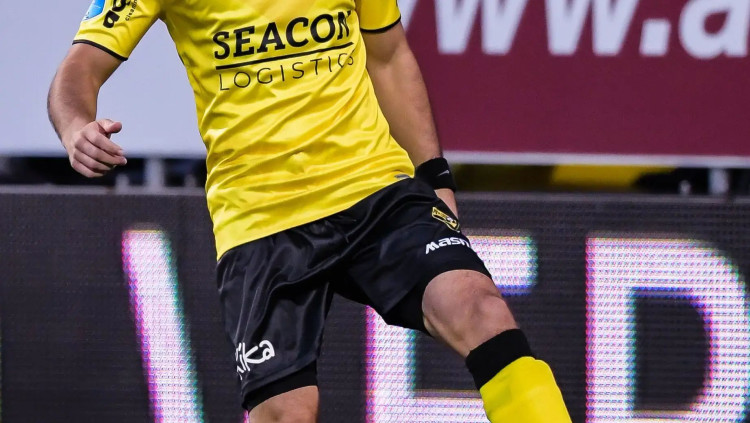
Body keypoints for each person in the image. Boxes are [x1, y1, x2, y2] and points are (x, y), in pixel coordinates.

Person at [47, 1, 572, 422]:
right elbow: (78, 69)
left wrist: (434, 176)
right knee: (286, 413)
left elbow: (388, 55)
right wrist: (75, 128)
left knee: (481, 309)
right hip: (261, 218)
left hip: (373, 188)